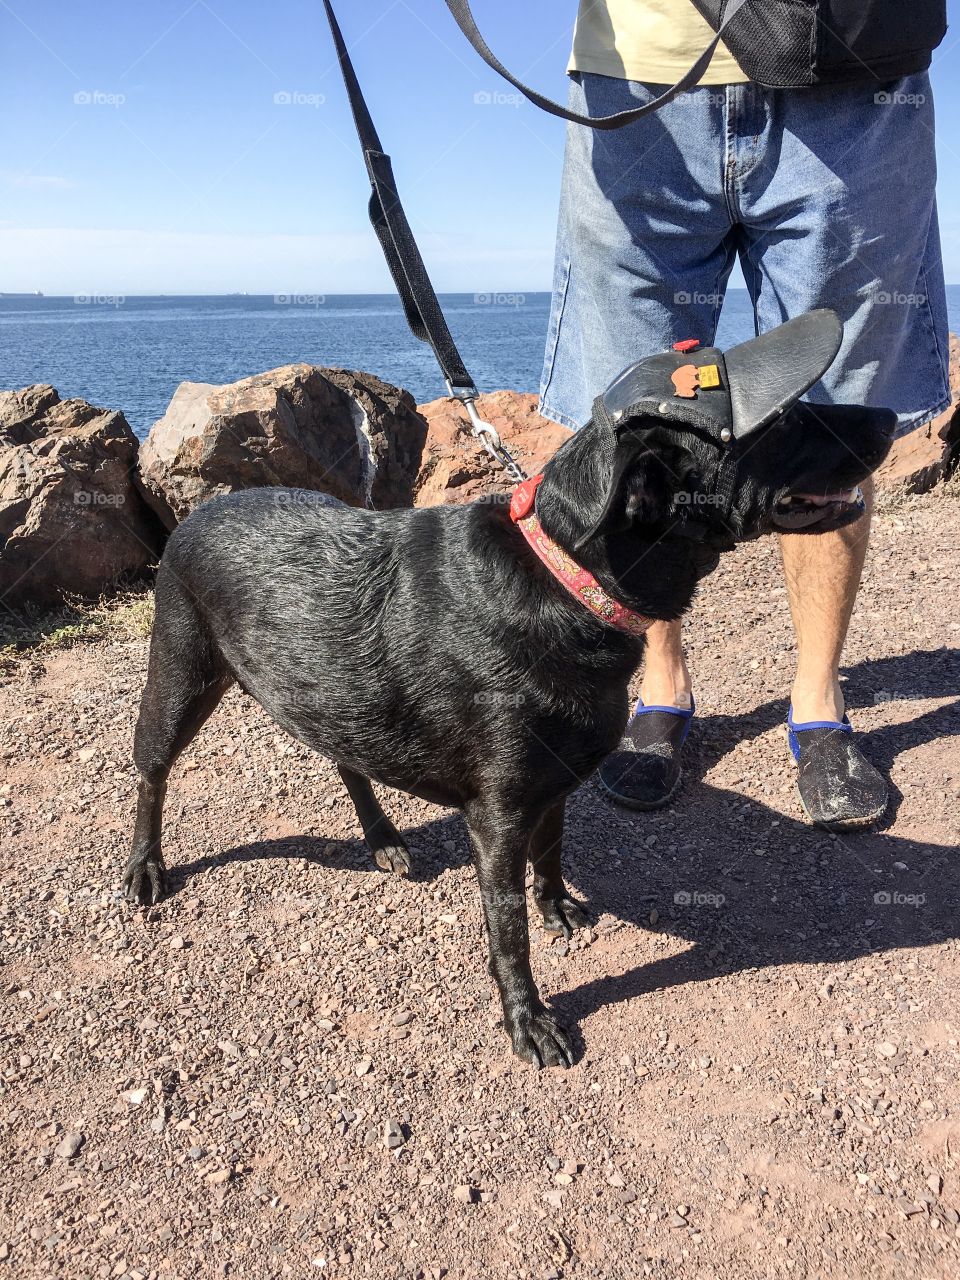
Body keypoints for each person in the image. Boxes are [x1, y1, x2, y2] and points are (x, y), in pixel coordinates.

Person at [538, 0, 950, 830]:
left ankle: (817, 696)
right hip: (638, 83)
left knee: (835, 426)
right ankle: (659, 681)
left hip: (854, 76)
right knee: (633, 426)